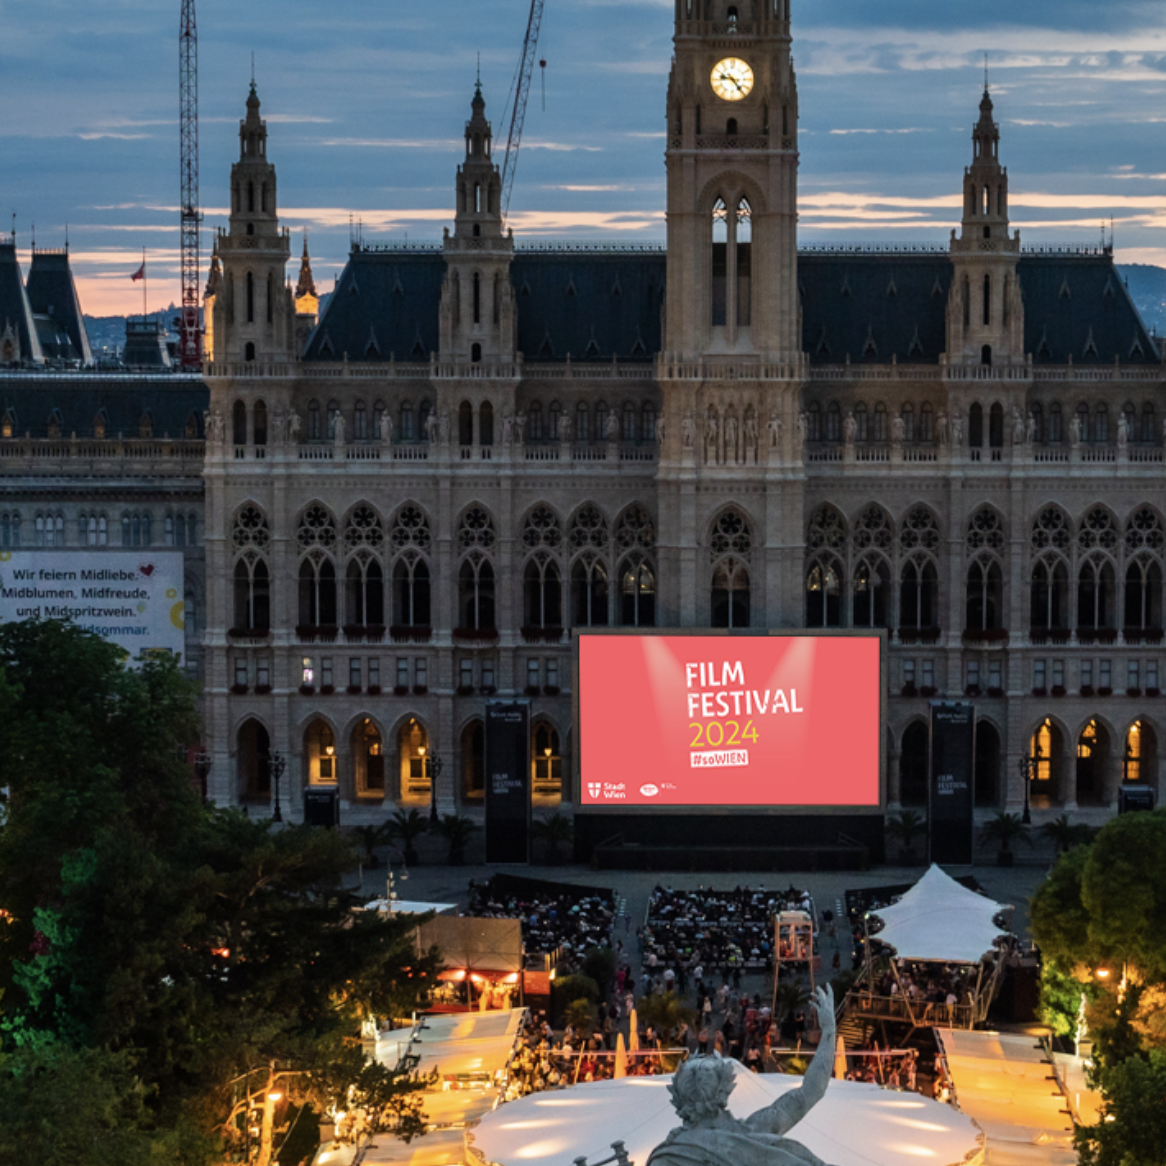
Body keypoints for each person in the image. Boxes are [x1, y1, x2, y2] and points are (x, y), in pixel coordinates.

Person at [647, 985, 837, 1166]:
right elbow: (811, 1090)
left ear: (678, 1099)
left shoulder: (666, 1157)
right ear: (724, 1090)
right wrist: (828, 1031)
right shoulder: (753, 1134)